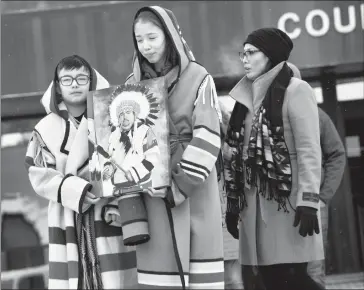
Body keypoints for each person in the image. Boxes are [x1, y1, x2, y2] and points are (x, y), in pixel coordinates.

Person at [103, 6, 225, 289]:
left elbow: (208, 135)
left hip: (194, 187)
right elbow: (119, 148)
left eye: (152, 38)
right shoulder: (131, 85)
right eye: (139, 40)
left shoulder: (199, 77)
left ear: (169, 36)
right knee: (161, 277)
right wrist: (121, 200)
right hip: (151, 193)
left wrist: (179, 185)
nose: (145, 46)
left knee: (200, 275)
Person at [223, 28, 324, 290]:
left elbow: (309, 150)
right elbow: (237, 155)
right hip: (253, 210)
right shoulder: (242, 99)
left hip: (287, 207)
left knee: (291, 280)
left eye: (251, 52)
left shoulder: (296, 90)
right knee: (268, 282)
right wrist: (233, 207)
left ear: (269, 55)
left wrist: (309, 201)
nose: (244, 59)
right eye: (242, 53)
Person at [25, 55, 137, 289]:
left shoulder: (114, 120)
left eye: (81, 78)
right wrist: (75, 190)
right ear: (57, 86)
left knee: (117, 280)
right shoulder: (45, 128)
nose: (74, 84)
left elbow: (129, 163)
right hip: (67, 217)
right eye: (67, 79)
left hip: (107, 214)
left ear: (92, 82)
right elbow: (38, 174)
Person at [307, 107, 346, 287]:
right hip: (277, 205)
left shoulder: (315, 114)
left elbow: (337, 154)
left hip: (313, 200)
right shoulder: (262, 114)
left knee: (313, 269)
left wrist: (324, 196)